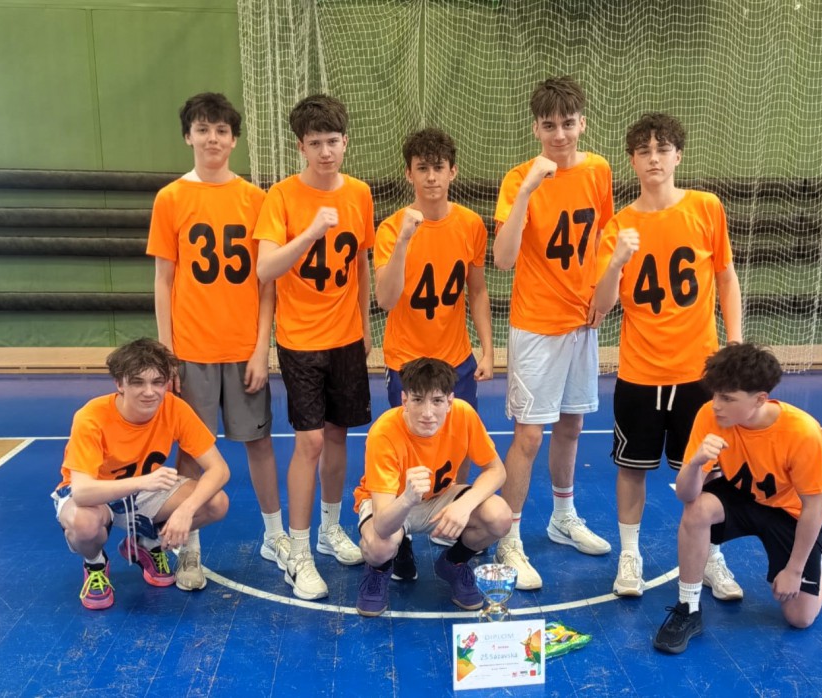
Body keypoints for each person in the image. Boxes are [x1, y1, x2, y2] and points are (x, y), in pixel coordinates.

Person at [595, 113, 743, 599]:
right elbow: (600, 307)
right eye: (644, 151)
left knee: (704, 468)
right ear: (632, 161)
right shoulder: (618, 225)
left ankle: (712, 555)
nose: (653, 158)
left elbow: (725, 276)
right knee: (631, 468)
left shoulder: (706, 207)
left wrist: (734, 343)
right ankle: (630, 556)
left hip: (698, 372)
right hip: (639, 372)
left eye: (662, 149)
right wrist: (616, 261)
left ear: (678, 156)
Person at [147, 92, 283, 592]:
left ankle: (275, 536)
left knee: (259, 444)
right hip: (191, 350)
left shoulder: (256, 199)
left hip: (243, 347)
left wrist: (261, 348)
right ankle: (189, 546)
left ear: (234, 139)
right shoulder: (170, 198)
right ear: (188, 136)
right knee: (191, 453)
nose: (212, 138)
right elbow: (164, 280)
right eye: (202, 129)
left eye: (221, 130)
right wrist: (167, 354)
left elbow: (267, 283)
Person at [492, 76, 614, 590]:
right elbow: (503, 259)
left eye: (567, 123)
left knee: (572, 426)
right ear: (535, 128)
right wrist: (527, 191)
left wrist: (603, 295)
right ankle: (509, 538)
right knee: (528, 435)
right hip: (537, 325)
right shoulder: (517, 178)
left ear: (582, 123)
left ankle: (563, 517)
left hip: (582, 323)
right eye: (549, 125)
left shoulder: (599, 169)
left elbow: (603, 238)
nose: (559, 134)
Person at [254, 94, 372, 600]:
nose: (326, 152)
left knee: (339, 437)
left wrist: (365, 326)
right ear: (301, 147)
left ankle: (329, 527)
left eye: (333, 141)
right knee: (310, 443)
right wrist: (309, 232)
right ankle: (298, 550)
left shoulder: (360, 193)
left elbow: (361, 261)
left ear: (346, 142)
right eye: (316, 143)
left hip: (347, 338)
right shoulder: (280, 196)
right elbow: (266, 269)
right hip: (300, 340)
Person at [653, 343, 822, 653]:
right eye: (715, 395)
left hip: (790, 513)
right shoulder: (710, 415)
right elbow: (685, 494)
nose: (716, 405)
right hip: (743, 496)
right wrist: (695, 463)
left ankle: (814, 559)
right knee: (697, 509)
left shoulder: (802, 432)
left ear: (760, 399)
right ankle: (688, 608)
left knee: (799, 618)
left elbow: (814, 507)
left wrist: (795, 570)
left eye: (727, 398)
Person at [374, 127, 494, 573]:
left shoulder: (470, 224)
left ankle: (453, 527)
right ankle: (402, 536)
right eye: (421, 168)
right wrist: (405, 240)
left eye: (438, 168)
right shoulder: (391, 228)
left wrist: (487, 348)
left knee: (456, 444)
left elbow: (477, 290)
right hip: (407, 362)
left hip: (456, 359)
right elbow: (385, 299)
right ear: (409, 174)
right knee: (406, 451)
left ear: (452, 171)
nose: (430, 177)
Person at [50, 339, 230, 610]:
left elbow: (219, 469)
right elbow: (83, 492)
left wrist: (186, 510)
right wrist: (143, 482)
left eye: (158, 382)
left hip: (143, 492)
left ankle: (145, 542)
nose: (149, 392)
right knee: (83, 524)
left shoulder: (174, 408)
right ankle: (95, 563)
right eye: (137, 382)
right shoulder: (91, 416)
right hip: (97, 495)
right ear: (119, 384)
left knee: (216, 503)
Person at [352, 358, 511, 616]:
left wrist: (464, 504)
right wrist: (407, 499)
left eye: (437, 401)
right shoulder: (383, 432)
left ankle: (453, 563)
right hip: (392, 503)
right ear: (404, 400)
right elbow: (382, 524)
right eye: (418, 400)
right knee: (380, 546)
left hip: (438, 498)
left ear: (449, 402)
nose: (427, 413)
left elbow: (497, 471)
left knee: (500, 517)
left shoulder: (463, 414)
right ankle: (379, 570)